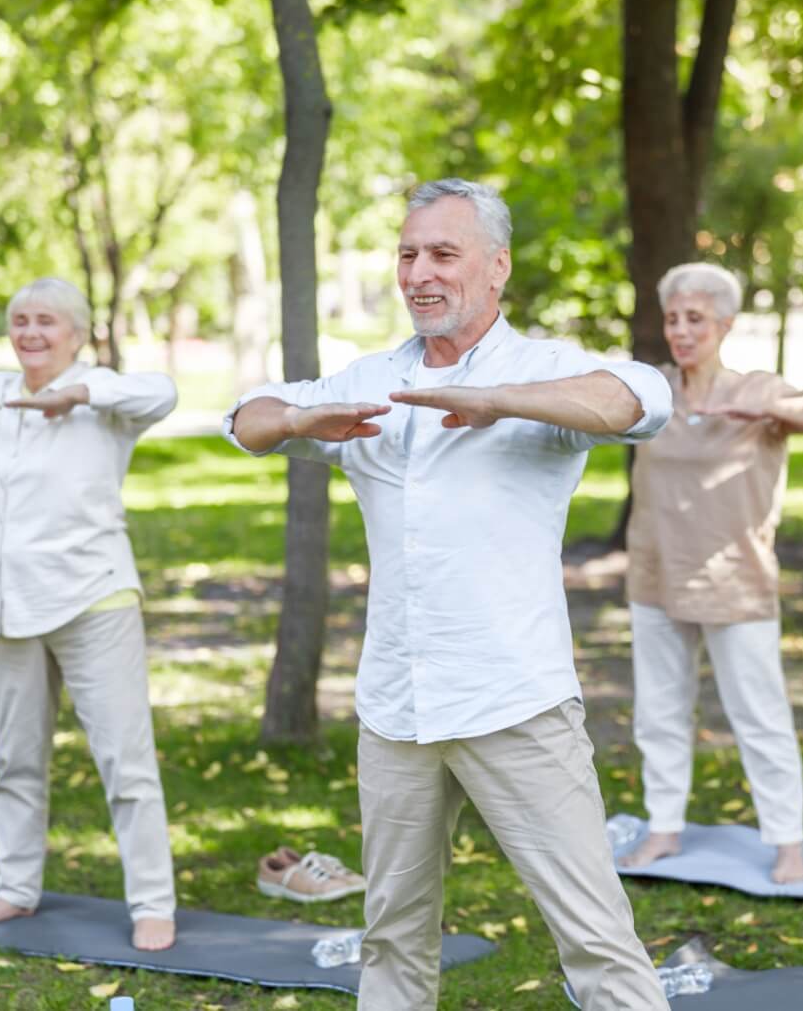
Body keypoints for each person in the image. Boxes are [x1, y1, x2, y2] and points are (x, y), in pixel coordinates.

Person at [225, 179, 672, 1011]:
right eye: (407, 254)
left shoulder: (544, 372)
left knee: (597, 939)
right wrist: (295, 421)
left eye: (443, 253)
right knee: (392, 936)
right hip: (397, 708)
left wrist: (494, 400)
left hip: (515, 702)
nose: (420, 273)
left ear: (496, 267)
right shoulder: (373, 380)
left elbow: (642, 399)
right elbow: (243, 418)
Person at [0, 278, 180, 952]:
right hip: (7, 609)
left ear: (76, 333)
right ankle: (16, 892)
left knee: (125, 763)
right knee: (15, 761)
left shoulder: (104, 397)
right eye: (20, 321)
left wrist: (77, 394)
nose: (30, 333)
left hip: (94, 601)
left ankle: (153, 903)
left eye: (46, 322)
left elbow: (162, 391)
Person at [619, 262, 803, 885]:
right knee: (660, 713)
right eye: (673, 319)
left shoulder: (757, 390)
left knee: (759, 715)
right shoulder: (653, 393)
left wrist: (784, 411)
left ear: (725, 325)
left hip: (735, 576)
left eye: (695, 318)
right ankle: (663, 828)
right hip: (656, 571)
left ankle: (788, 843)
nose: (681, 330)